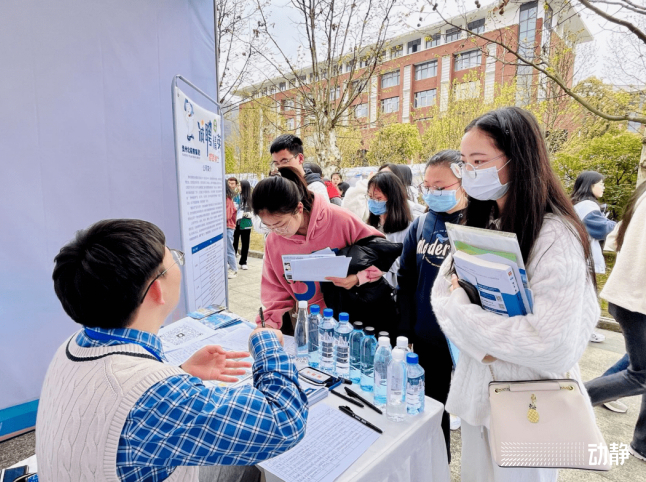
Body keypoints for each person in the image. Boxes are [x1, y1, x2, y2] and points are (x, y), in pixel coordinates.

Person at [36, 219, 307, 482]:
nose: (179, 263)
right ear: (156, 289)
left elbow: (114, 406)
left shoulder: (74, 345)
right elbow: (284, 421)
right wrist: (266, 343)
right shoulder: (156, 396)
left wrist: (179, 373)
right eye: (174, 258)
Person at [430, 107, 598, 482]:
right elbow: (441, 297)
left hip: (530, 405)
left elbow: (551, 342)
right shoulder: (480, 221)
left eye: (479, 161)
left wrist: (472, 324)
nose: (469, 172)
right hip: (478, 397)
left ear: (518, 159)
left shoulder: (556, 236)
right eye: (465, 162)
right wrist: (480, 342)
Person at [396, 149, 467, 462]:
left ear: (465, 183)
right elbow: (407, 279)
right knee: (431, 409)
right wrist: (406, 327)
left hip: (467, 340)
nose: (433, 193)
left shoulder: (482, 224)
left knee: (473, 413)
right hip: (428, 336)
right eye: (428, 187)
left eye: (442, 187)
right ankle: (438, 464)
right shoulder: (422, 223)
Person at [250, 166, 382, 331]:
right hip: (309, 324)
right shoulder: (273, 241)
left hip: (351, 321)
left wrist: (358, 278)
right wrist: (267, 325)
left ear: (298, 208)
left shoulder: (340, 219)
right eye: (269, 226)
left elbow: (381, 253)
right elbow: (274, 292)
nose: (276, 232)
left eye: (280, 224)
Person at [585, 181, 646, 462]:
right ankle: (570, 400)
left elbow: (615, 237)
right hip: (637, 299)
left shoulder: (642, 192)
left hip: (627, 294)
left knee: (639, 365)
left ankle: (643, 444)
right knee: (641, 373)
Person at [572, 170, 617, 343]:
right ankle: (585, 332)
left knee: (578, 296)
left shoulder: (576, 203)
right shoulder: (588, 206)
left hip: (576, 256)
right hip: (585, 258)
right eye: (601, 183)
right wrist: (624, 225)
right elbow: (602, 229)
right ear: (590, 186)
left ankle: (580, 332)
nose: (603, 187)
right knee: (587, 297)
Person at [366, 171, 412, 288]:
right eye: (370, 197)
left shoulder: (408, 229)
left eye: (378, 198)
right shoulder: (371, 225)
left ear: (393, 198)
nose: (372, 202)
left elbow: (405, 264)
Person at [270, 134, 330, 202]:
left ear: (300, 158)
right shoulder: (277, 187)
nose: (280, 167)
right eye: (276, 163)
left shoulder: (315, 188)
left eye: (284, 161)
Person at [234, 180, 253, 270]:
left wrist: (249, 214)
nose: (238, 187)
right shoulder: (236, 196)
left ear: (244, 187)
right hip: (236, 222)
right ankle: (232, 261)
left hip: (246, 222)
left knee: (245, 242)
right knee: (234, 241)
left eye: (240, 186)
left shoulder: (251, 198)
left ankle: (243, 261)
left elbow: (255, 212)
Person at [226, 184, 238, 279]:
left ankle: (234, 270)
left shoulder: (227, 200)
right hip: (227, 227)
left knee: (229, 249)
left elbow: (228, 215)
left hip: (228, 227)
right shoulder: (228, 199)